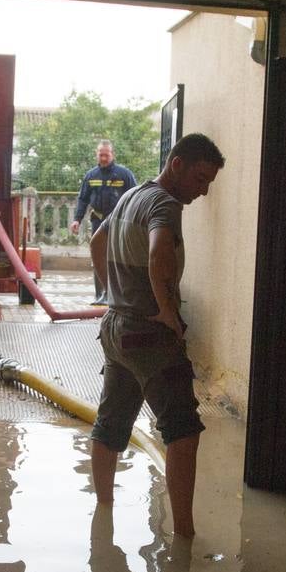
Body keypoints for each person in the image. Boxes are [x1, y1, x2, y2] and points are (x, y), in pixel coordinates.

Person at [88, 133, 224, 538]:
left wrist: (110, 291)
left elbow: (97, 242)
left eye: (210, 183)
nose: (203, 191)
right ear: (176, 164)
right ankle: (184, 533)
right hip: (148, 334)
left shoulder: (133, 195)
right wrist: (167, 311)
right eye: (200, 179)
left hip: (115, 327)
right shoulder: (164, 203)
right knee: (182, 429)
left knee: (110, 425)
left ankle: (104, 512)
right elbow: (158, 251)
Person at [70, 140, 136, 304]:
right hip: (98, 222)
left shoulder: (124, 174)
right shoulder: (91, 176)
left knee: (116, 257)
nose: (104, 158)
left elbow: (134, 197)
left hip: (118, 222)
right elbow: (83, 199)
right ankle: (101, 295)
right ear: (97, 155)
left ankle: (116, 295)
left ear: (112, 154)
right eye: (101, 154)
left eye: (107, 154)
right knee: (98, 256)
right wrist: (77, 219)